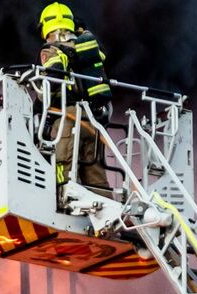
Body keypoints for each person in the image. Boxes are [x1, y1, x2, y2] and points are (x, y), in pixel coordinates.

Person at [37, 2, 113, 190]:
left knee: (63, 165)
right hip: (92, 120)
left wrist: (36, 81)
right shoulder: (87, 46)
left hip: (68, 118)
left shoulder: (52, 49)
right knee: (95, 174)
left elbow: (52, 80)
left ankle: (60, 198)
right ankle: (104, 202)